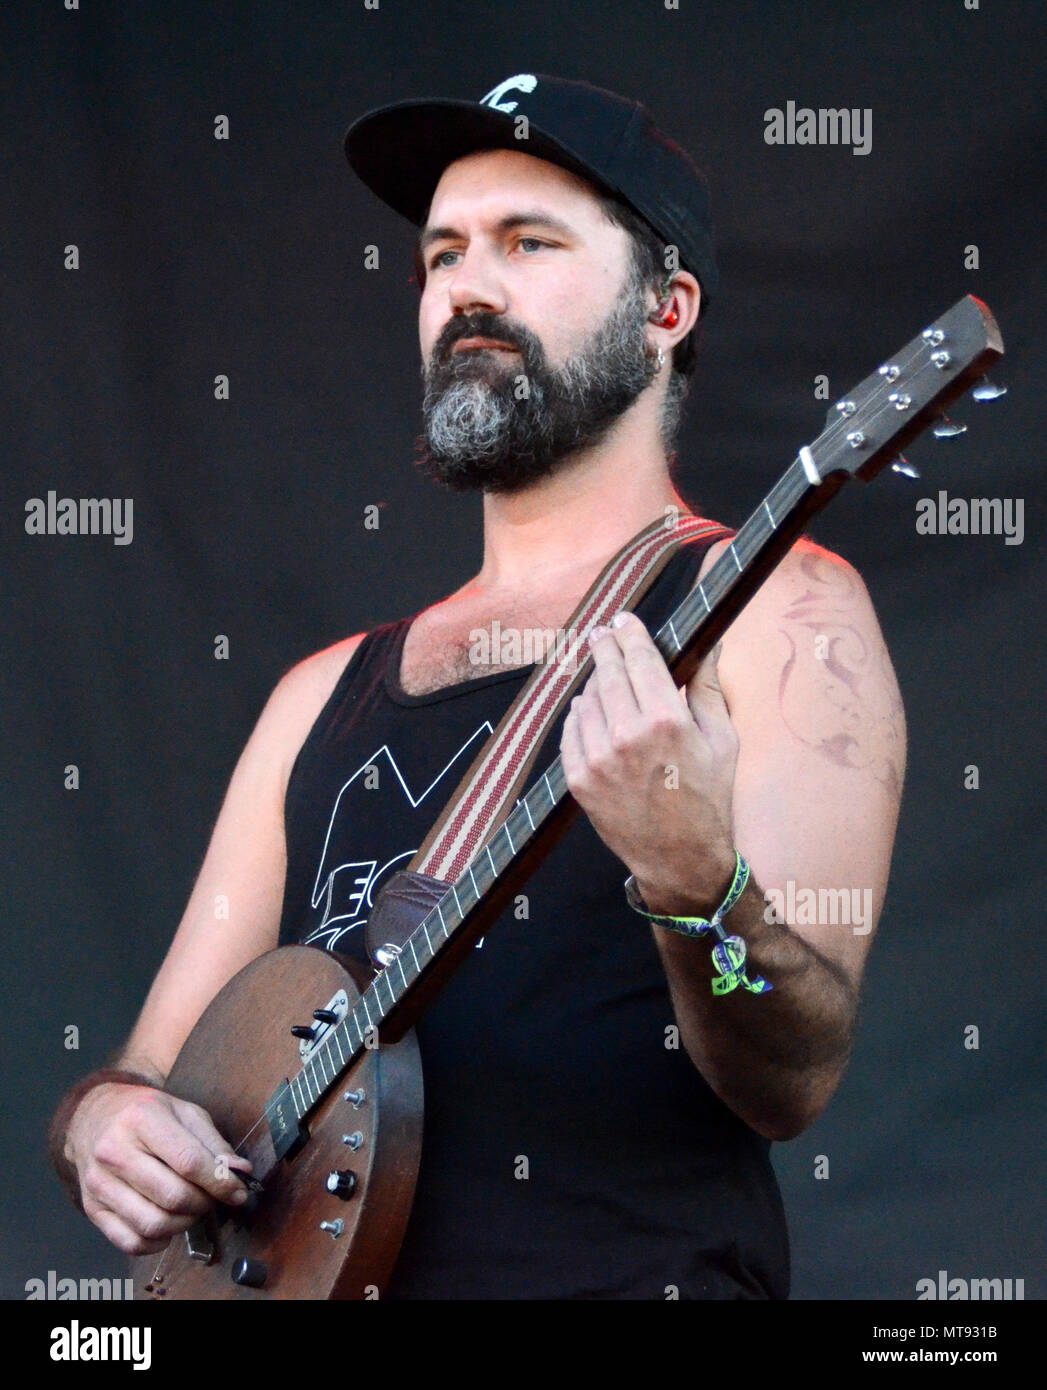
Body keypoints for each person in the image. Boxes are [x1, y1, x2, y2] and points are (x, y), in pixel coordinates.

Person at [49, 74, 906, 1299]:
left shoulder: (779, 609)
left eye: (529, 242)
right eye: (442, 254)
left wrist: (694, 885)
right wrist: (104, 1129)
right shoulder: (320, 692)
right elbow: (150, 1068)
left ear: (667, 309)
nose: (467, 286)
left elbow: (792, 1076)